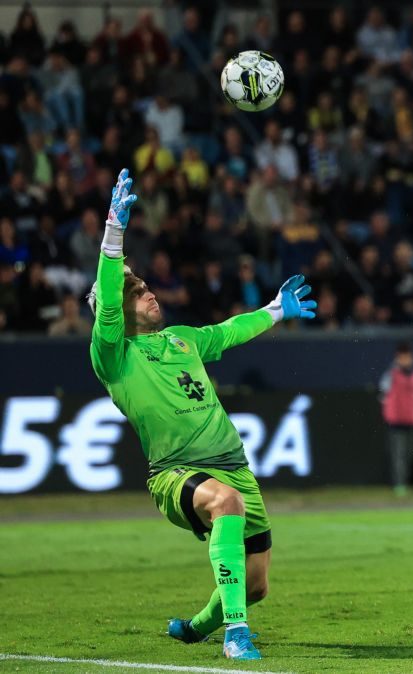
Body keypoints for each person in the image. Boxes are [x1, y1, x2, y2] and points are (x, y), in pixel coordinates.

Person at [87, 169, 317, 660]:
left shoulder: (184, 339)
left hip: (234, 465)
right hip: (174, 473)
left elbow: (230, 330)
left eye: (146, 287)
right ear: (120, 312)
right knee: (225, 503)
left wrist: (276, 310)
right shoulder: (114, 356)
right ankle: (236, 635)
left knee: (256, 587)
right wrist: (113, 233)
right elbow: (108, 302)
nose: (149, 293)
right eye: (137, 293)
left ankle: (197, 628)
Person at [379, 342, 413, 497]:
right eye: (402, 357)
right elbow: (384, 395)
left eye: (408, 357)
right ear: (397, 358)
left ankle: (405, 483)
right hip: (396, 420)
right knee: (398, 455)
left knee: (409, 455)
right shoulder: (390, 375)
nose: (405, 360)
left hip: (412, 420)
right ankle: (399, 485)